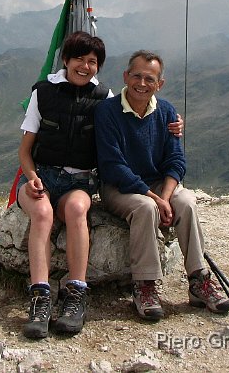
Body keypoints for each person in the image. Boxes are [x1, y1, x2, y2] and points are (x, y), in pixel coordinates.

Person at [16, 32, 182, 338]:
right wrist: (31, 177)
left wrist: (172, 121)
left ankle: (76, 293)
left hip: (80, 180)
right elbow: (25, 150)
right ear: (65, 59)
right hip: (42, 177)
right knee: (42, 214)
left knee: (79, 208)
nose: (85, 66)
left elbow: (138, 115)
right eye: (78, 58)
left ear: (99, 67)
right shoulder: (42, 93)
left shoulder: (105, 99)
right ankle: (40, 298)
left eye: (92, 61)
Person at [94, 49, 229, 321]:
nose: (141, 84)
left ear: (160, 84)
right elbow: (112, 165)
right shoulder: (107, 112)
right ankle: (144, 285)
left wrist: (165, 196)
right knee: (146, 208)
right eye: (136, 76)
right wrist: (155, 199)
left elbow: (176, 160)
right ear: (125, 76)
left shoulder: (166, 112)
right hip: (119, 187)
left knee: (187, 201)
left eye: (149, 78)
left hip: (157, 185)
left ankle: (198, 279)